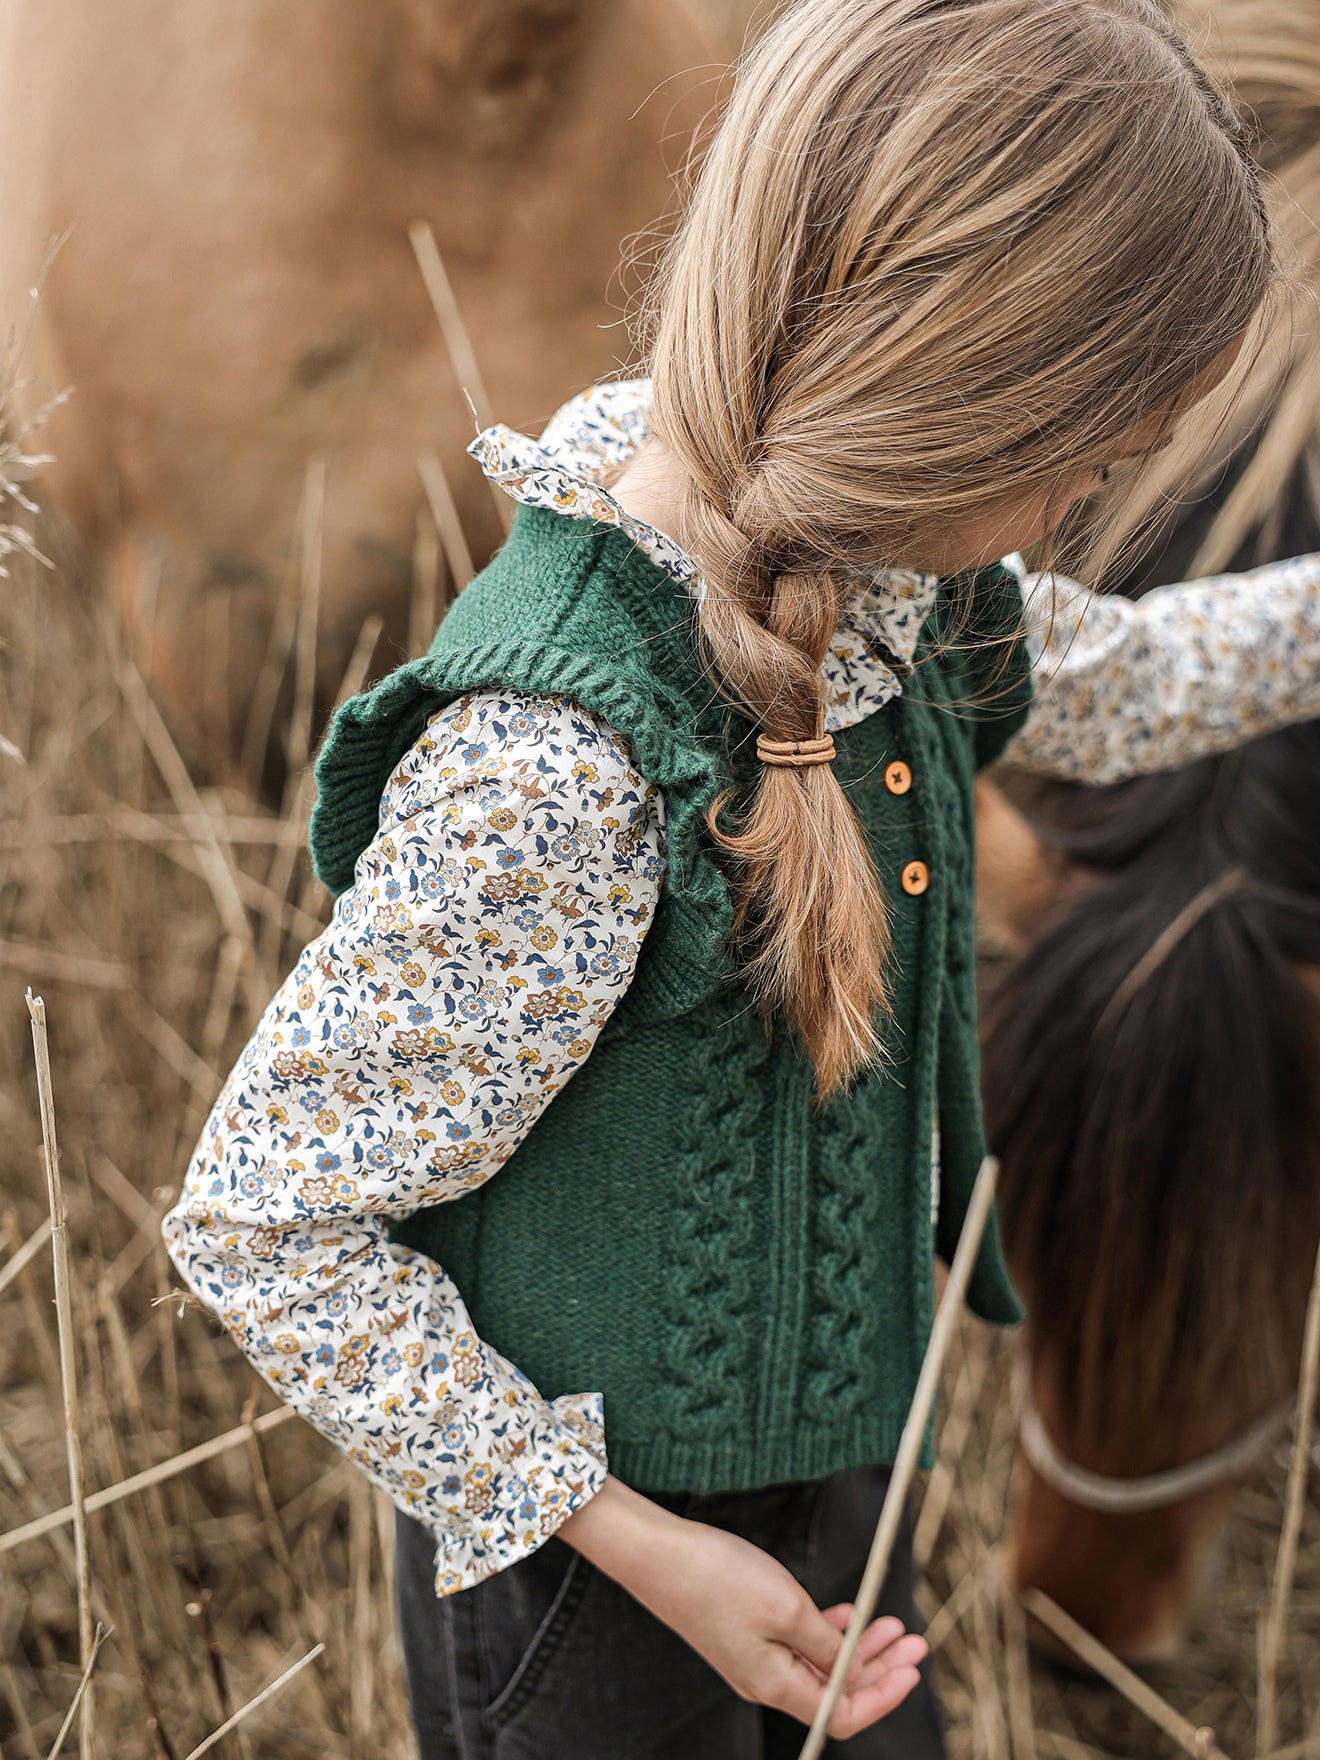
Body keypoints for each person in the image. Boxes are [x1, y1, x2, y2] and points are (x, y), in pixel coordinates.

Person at [162, 0, 1320, 1752]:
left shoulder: (901, 601)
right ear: (965, 395)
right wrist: (640, 1547)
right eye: (1090, 458)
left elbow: (1121, 680)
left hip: (841, 1479)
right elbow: (268, 1224)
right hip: (591, 1598)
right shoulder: (560, 777)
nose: (1082, 506)